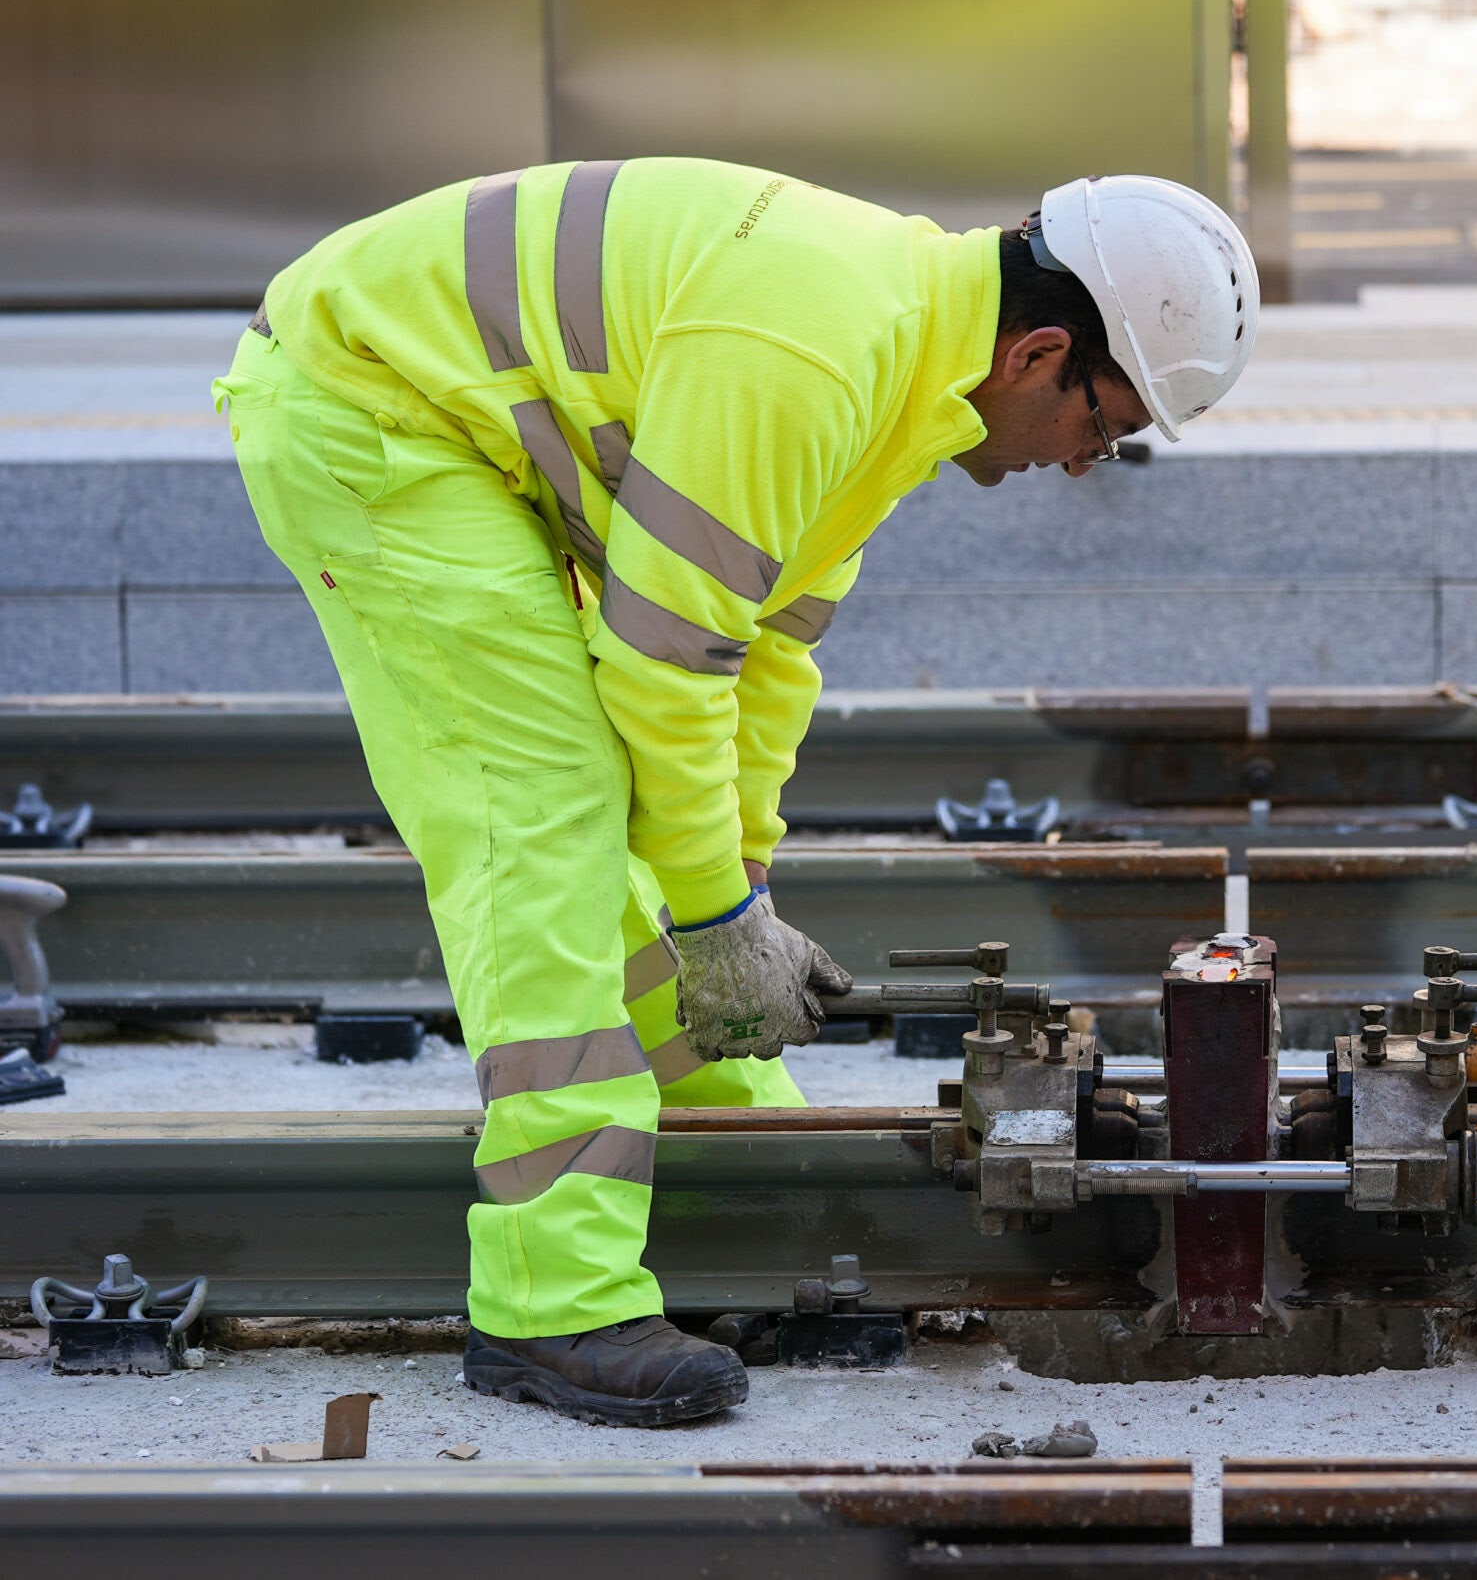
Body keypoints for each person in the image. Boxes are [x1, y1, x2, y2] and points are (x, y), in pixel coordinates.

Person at [215, 160, 1258, 1425]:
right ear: (1041, 353)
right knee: (541, 824)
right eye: (1109, 425)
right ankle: (554, 1305)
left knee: (631, 832)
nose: (1090, 462)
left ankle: (747, 1200)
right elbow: (664, 662)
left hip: (461, 420)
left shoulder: (907, 375)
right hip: (373, 408)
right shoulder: (818, 350)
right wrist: (714, 920)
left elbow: (766, 653)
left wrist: (743, 887)